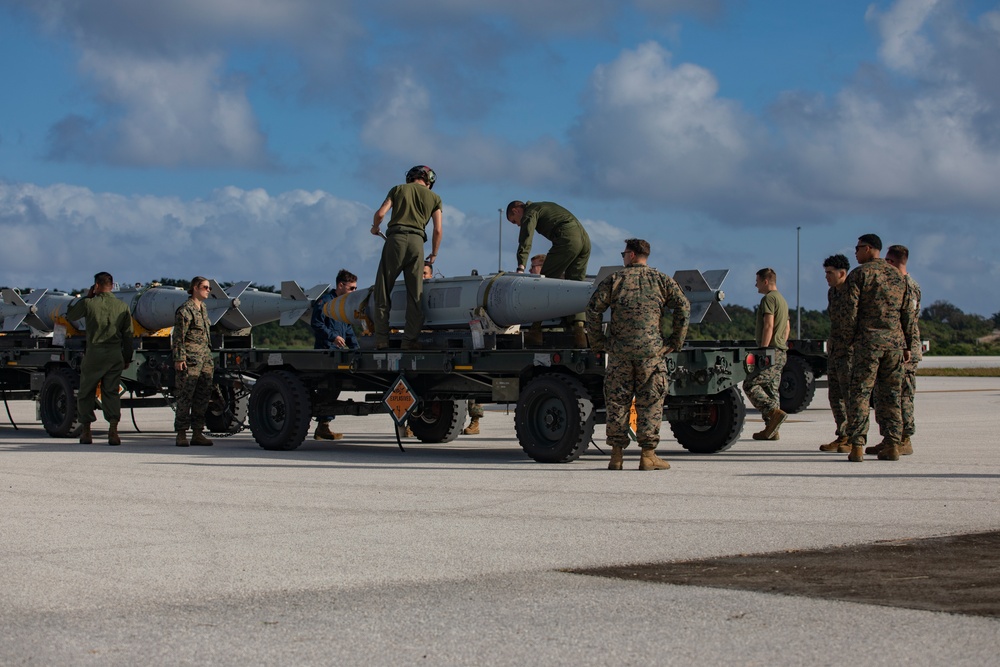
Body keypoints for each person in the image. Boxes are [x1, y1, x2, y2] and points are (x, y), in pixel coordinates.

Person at [585, 238, 690, 471]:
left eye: (624, 253)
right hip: (651, 354)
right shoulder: (661, 280)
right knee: (651, 403)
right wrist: (675, 341)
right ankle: (648, 455)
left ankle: (616, 455)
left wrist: (598, 343)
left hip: (620, 353)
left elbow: (592, 310)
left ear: (631, 255)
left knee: (617, 403)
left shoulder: (614, 280)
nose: (623, 257)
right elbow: (683, 307)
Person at [844, 234, 913, 462]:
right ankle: (893, 444)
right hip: (894, 344)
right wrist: (908, 344)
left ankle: (857, 446)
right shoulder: (896, 275)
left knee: (860, 393)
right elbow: (907, 314)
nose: (855, 253)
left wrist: (848, 341)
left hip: (868, 344)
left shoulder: (859, 274)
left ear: (869, 248)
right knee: (892, 394)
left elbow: (850, 314)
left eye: (858, 248)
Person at [371, 165, 443, 350]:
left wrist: (375, 227)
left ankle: (381, 339)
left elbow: (380, 214)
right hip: (417, 244)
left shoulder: (398, 189)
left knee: (383, 290)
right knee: (415, 293)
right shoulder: (435, 198)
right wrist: (433, 254)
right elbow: (437, 230)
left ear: (410, 177)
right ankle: (409, 340)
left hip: (395, 240)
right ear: (429, 181)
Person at [506, 200, 591, 347]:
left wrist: (521, 265)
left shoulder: (530, 211)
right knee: (575, 284)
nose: (518, 225)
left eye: (514, 221)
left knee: (544, 284)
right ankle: (578, 329)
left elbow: (526, 237)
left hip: (569, 238)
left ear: (516, 210)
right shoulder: (543, 206)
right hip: (585, 240)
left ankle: (535, 329)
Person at [65, 271, 133, 446]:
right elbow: (128, 336)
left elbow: (71, 315)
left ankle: (86, 431)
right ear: (112, 285)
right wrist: (126, 358)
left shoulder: (89, 303)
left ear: (96, 286)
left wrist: (87, 297)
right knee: (111, 392)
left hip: (94, 354)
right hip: (114, 355)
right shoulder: (122, 307)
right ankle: (113, 431)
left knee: (86, 391)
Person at [871, 244, 921, 456]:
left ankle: (904, 438)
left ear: (891, 262)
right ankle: (889, 438)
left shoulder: (908, 285)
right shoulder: (898, 284)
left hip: (904, 349)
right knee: (885, 396)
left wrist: (907, 346)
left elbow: (908, 319)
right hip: (894, 346)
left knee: (903, 396)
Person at [311, 269, 359, 440]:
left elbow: (348, 329)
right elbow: (316, 324)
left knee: (334, 388)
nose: (354, 291)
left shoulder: (343, 305)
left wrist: (357, 349)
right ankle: (321, 424)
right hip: (325, 353)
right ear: (341, 285)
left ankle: (323, 426)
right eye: (351, 288)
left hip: (337, 354)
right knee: (326, 388)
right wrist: (332, 337)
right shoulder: (325, 302)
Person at [743, 268, 790, 441]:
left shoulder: (768, 299)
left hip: (770, 351)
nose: (755, 284)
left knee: (750, 385)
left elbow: (768, 325)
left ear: (765, 281)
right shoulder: (782, 300)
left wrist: (763, 350)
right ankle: (772, 429)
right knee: (771, 389)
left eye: (757, 281)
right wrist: (780, 344)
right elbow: (787, 327)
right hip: (780, 350)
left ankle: (773, 412)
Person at [172, 276, 215, 447]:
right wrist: (179, 357)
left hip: (204, 359)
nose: (208, 290)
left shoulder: (203, 308)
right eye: (205, 287)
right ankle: (181, 434)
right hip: (190, 360)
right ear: (195, 288)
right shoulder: (185, 310)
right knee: (185, 396)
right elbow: (178, 337)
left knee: (202, 397)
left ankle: (197, 433)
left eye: (209, 288)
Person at [819, 254, 853, 453]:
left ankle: (854, 437)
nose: (826, 277)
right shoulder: (832, 293)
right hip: (836, 350)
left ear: (842, 273)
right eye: (826, 273)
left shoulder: (853, 291)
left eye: (830, 273)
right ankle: (843, 434)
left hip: (851, 351)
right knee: (835, 395)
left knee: (851, 396)